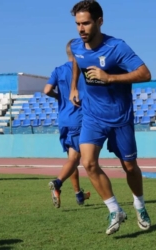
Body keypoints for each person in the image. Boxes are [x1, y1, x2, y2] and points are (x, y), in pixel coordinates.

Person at [69, 0, 151, 235]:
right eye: (77, 24)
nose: (81, 29)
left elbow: (145, 74)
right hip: (93, 116)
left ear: (99, 21)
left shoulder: (117, 47)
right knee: (88, 163)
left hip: (120, 117)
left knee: (129, 166)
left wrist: (110, 78)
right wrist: (74, 86)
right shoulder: (77, 46)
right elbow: (77, 61)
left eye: (85, 23)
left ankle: (140, 206)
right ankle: (114, 209)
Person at [44, 39, 91, 208]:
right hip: (79, 118)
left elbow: (47, 90)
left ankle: (79, 194)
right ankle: (57, 183)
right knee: (76, 159)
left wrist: (59, 97)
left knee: (71, 159)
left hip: (63, 118)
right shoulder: (85, 69)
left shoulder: (58, 70)